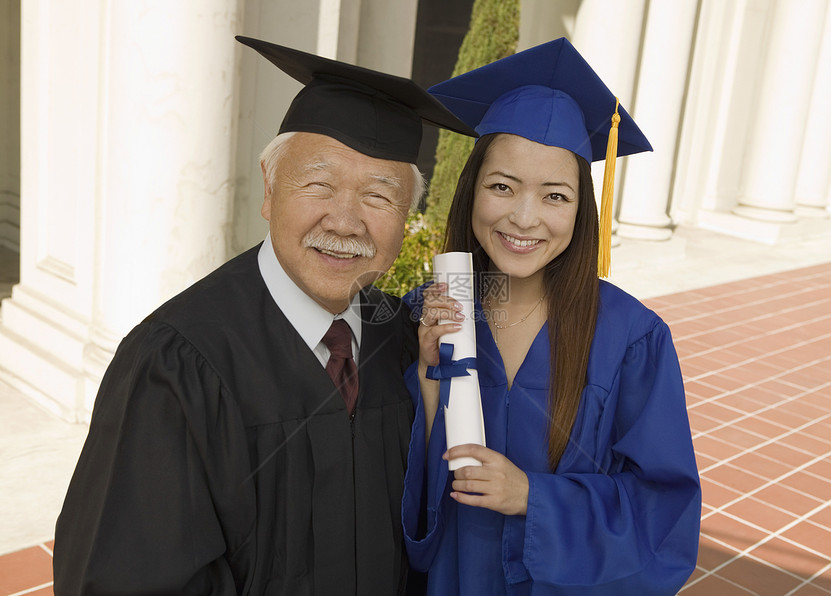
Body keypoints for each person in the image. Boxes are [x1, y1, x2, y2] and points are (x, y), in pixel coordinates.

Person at [53, 36, 475, 595]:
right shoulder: (175, 366)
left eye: (379, 197)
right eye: (319, 184)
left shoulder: (399, 338)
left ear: (404, 217)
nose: (346, 222)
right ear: (270, 186)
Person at [400, 38, 701, 595]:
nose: (524, 217)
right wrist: (426, 378)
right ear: (471, 193)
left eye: (555, 196)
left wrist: (533, 499)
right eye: (501, 187)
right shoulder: (431, 312)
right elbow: (385, 479)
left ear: (582, 208)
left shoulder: (633, 338)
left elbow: (664, 516)